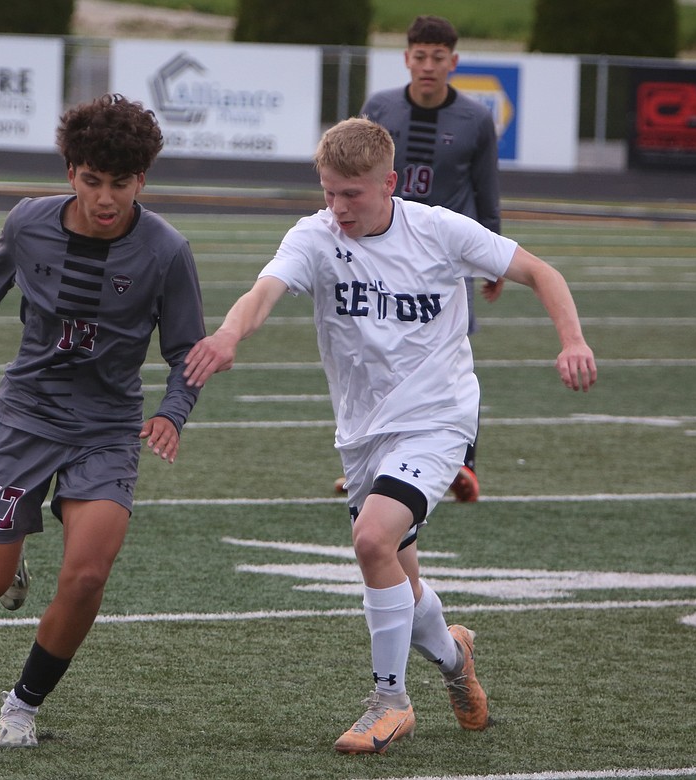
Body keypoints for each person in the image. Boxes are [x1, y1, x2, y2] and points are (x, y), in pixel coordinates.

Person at [184, 118, 595, 754]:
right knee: (397, 573)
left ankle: (391, 701)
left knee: (372, 539)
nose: (338, 208)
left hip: (438, 420)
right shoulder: (314, 237)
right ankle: (455, 656)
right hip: (362, 432)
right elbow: (263, 291)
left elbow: (542, 272)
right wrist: (231, 334)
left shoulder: (438, 230)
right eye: (329, 193)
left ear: (389, 184)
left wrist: (572, 340)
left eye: (352, 194)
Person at [0, 93, 205, 749]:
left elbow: (187, 351)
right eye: (92, 180)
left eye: (119, 183)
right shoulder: (28, 224)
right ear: (70, 171)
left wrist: (172, 412)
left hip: (107, 427)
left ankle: (21, 708)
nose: (104, 197)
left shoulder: (167, 251)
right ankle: (12, 562)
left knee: (89, 574)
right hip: (25, 417)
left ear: (141, 180)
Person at [357, 14, 504, 502]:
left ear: (453, 62)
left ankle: (465, 466)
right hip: (386, 251)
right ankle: (376, 457)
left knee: (452, 358)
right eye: (419, 55)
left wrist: (494, 259)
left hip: (448, 257)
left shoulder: (476, 119)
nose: (428, 65)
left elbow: (487, 192)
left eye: (438, 57)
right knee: (378, 351)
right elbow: (354, 173)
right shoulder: (379, 107)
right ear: (406, 59)